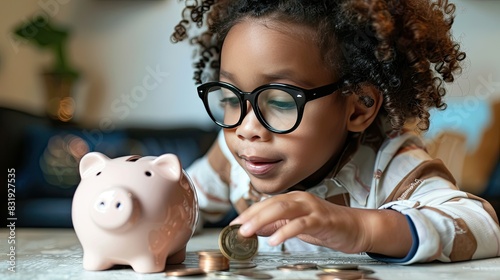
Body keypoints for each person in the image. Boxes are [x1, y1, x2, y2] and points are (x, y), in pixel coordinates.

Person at [171, 0, 500, 264]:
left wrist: (362, 228)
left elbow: (481, 226)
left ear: (359, 106)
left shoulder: (391, 166)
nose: (247, 128)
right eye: (231, 97)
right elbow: (181, 202)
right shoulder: (232, 153)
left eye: (282, 102)